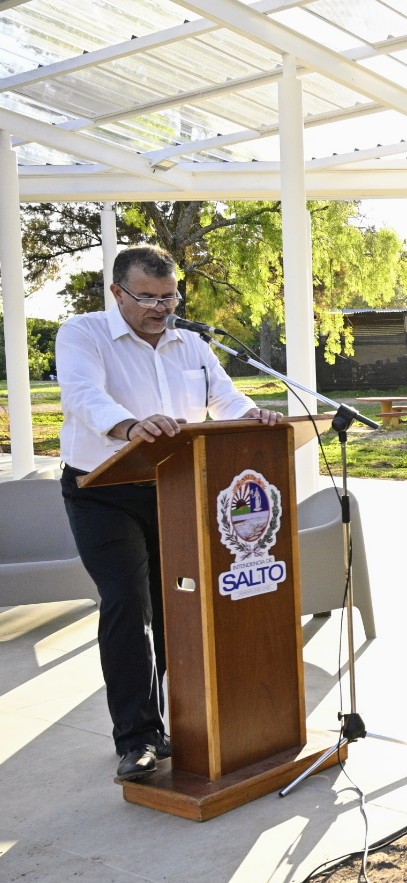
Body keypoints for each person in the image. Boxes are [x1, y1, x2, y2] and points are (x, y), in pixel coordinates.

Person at [56, 244, 283, 782]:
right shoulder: (83, 333)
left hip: (177, 488)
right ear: (118, 293)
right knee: (127, 603)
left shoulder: (193, 344)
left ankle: (186, 723)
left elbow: (223, 399)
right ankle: (136, 738)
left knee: (177, 607)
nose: (163, 308)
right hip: (102, 490)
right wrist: (131, 427)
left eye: (171, 296)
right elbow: (84, 395)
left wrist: (253, 416)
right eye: (149, 297)